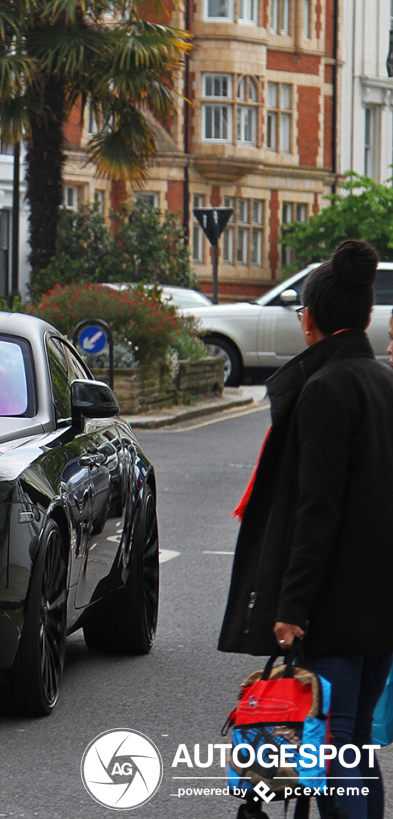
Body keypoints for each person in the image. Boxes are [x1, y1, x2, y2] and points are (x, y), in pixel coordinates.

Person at [220, 240, 393, 819]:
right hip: (381, 598)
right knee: (355, 741)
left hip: (336, 604)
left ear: (310, 320)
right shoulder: (383, 382)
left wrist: (291, 607)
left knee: (334, 749)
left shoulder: (323, 390)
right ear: (367, 316)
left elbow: (314, 512)